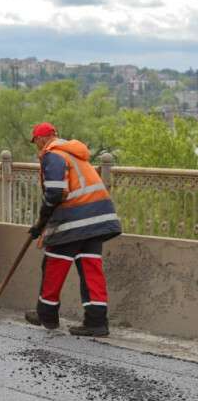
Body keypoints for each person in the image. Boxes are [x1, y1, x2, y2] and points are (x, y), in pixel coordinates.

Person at [25, 123, 122, 337]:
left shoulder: (53, 156)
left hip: (73, 221)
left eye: (36, 141)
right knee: (91, 270)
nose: (37, 146)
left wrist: (41, 223)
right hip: (98, 221)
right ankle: (96, 322)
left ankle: (46, 315)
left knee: (53, 266)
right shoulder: (75, 153)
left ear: (42, 139)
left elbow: (55, 194)